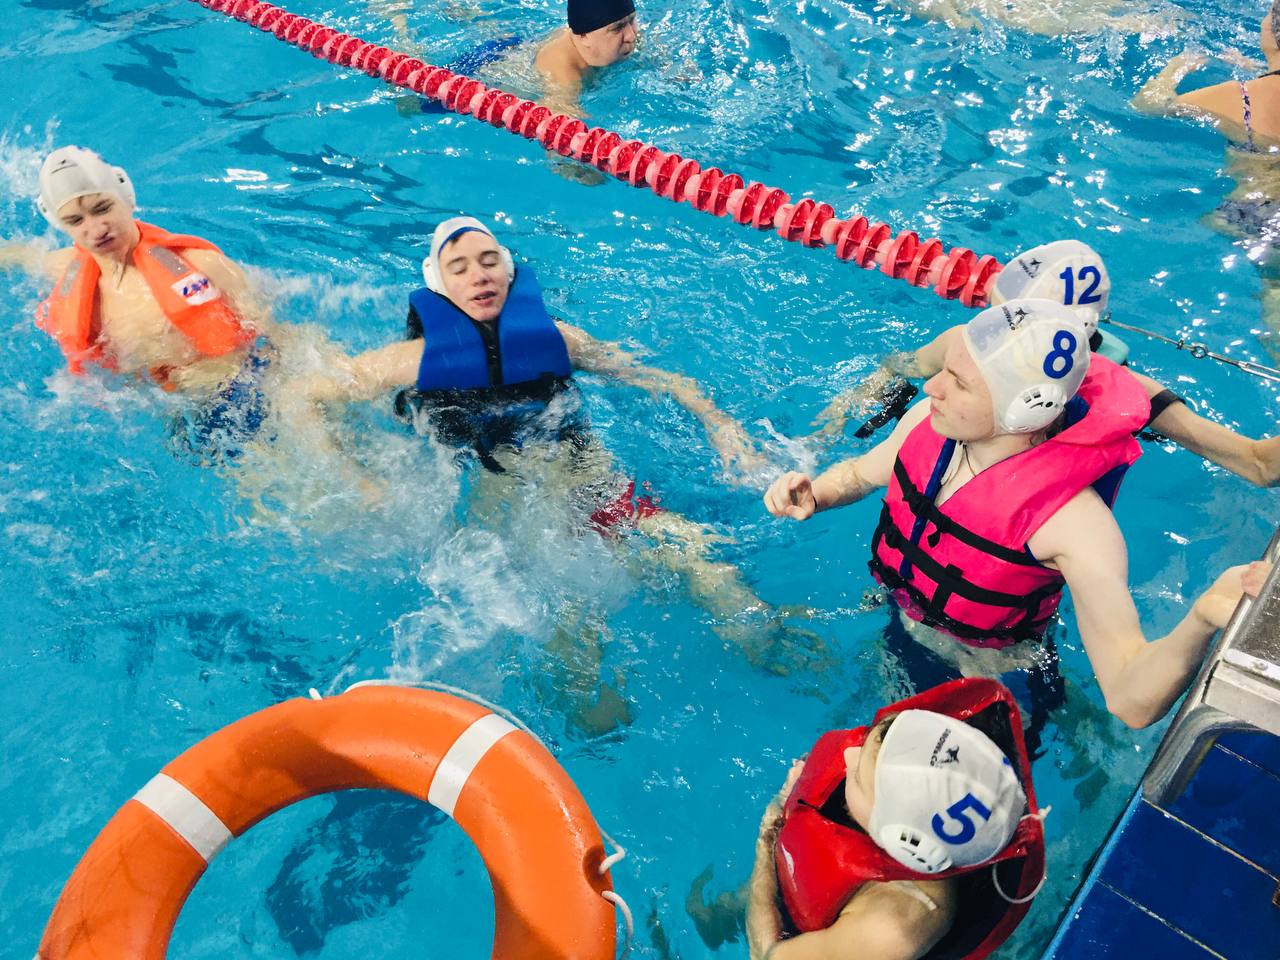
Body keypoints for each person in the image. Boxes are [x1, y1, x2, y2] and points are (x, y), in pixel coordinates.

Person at [301, 216, 813, 729]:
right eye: (459, 268)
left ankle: (781, 663)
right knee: (580, 667)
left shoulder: (559, 341)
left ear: (508, 272)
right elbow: (310, 397)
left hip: (595, 489)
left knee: (715, 579)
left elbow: (658, 378)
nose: (479, 275)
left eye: (489, 261)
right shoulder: (410, 361)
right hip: (518, 522)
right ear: (438, 284)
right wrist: (358, 477)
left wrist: (723, 428)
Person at [765, 298, 1271, 729]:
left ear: (1027, 407)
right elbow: (859, 473)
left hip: (994, 685)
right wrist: (818, 493)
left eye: (958, 382)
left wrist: (1200, 620)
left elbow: (1130, 699)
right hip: (901, 618)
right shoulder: (927, 424)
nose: (930, 387)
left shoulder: (1074, 526)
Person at [813, 240, 1280, 488]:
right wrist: (836, 418)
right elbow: (897, 367)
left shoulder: (1128, 393)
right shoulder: (964, 347)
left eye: (1005, 319)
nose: (991, 331)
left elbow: (1259, 465)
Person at [691, 678, 1045, 960]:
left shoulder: (894, 926)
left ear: (903, 838)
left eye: (858, 776)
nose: (848, 754)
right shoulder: (909, 786)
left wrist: (766, 838)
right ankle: (719, 918)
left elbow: (767, 955)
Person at [0, 146, 288, 464]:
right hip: (178, 417)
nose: (96, 229)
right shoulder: (65, 269)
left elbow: (272, 336)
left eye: (102, 208)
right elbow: (16, 255)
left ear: (125, 196)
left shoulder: (203, 265)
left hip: (239, 393)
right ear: (60, 224)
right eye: (76, 220)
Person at [534, 0, 638, 116]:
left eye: (632, 20)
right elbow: (553, 112)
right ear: (584, 36)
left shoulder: (625, 38)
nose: (632, 36)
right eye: (617, 28)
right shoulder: (564, 74)